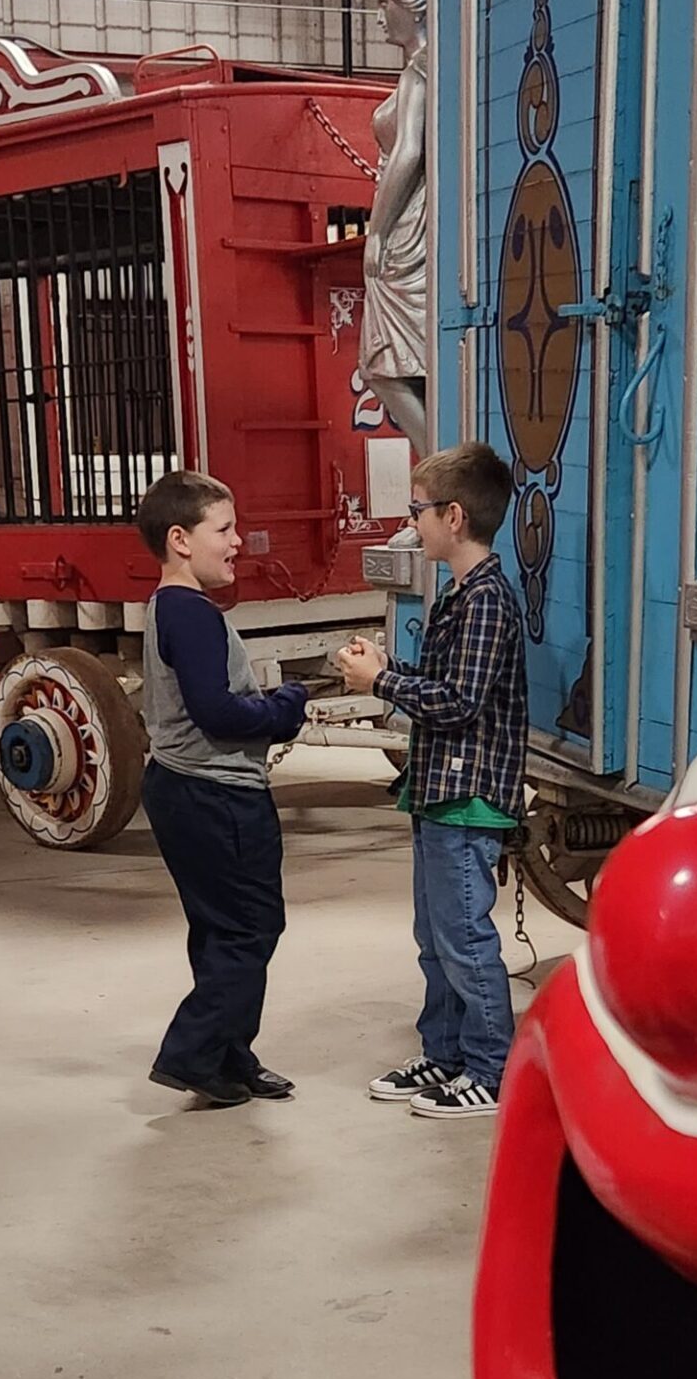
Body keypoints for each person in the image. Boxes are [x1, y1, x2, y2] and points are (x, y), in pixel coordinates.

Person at [338, 442, 527, 1120]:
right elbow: (445, 687)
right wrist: (390, 668)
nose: (408, 524)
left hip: (467, 797)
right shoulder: (456, 594)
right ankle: (445, 1053)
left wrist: (381, 683)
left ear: (453, 516)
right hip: (439, 790)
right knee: (434, 935)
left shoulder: (484, 601)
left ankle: (489, 1068)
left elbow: (462, 704)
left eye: (416, 511)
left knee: (463, 938)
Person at [139, 470, 308, 1108]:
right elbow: (218, 713)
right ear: (180, 539)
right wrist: (285, 705)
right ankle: (191, 1053)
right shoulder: (191, 613)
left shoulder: (166, 607)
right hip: (215, 796)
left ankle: (229, 1057)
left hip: (184, 790)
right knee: (250, 929)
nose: (238, 542)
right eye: (225, 530)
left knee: (219, 931)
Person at [357, 0, 428, 455]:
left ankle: (443, 481)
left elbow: (408, 152)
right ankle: (439, 485)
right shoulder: (425, 68)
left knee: (382, 366)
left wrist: (377, 232)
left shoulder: (420, 71)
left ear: (413, 5)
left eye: (386, 2)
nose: (380, 14)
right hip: (410, 225)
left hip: (406, 234)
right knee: (404, 368)